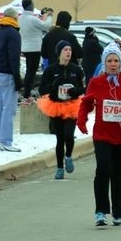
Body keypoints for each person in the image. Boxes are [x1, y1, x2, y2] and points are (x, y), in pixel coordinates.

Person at [77, 50, 121, 226]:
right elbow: (86, 102)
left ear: (120, 63)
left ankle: (118, 212)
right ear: (104, 63)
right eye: (109, 61)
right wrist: (81, 119)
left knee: (119, 174)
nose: (113, 64)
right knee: (103, 169)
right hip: (102, 134)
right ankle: (100, 211)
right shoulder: (96, 82)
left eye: (116, 60)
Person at [37, 42, 85, 179]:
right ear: (59, 53)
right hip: (56, 106)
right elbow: (42, 89)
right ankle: (59, 168)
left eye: (70, 50)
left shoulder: (76, 70)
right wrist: (53, 88)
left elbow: (83, 88)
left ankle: (68, 156)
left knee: (69, 135)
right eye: (65, 50)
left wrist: (76, 91)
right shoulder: (51, 70)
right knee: (60, 138)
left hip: (72, 106)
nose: (68, 52)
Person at [0, 8, 23, 152]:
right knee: (9, 109)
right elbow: (14, 57)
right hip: (8, 75)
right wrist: (17, 76)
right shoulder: (14, 34)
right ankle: (6, 141)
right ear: (14, 18)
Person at [18, 0, 52, 102]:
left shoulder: (21, 18)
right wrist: (50, 16)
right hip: (35, 49)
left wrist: (41, 16)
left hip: (25, 48)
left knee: (29, 70)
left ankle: (27, 92)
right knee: (31, 72)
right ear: (30, 6)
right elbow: (46, 26)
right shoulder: (32, 19)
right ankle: (27, 94)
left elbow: (37, 24)